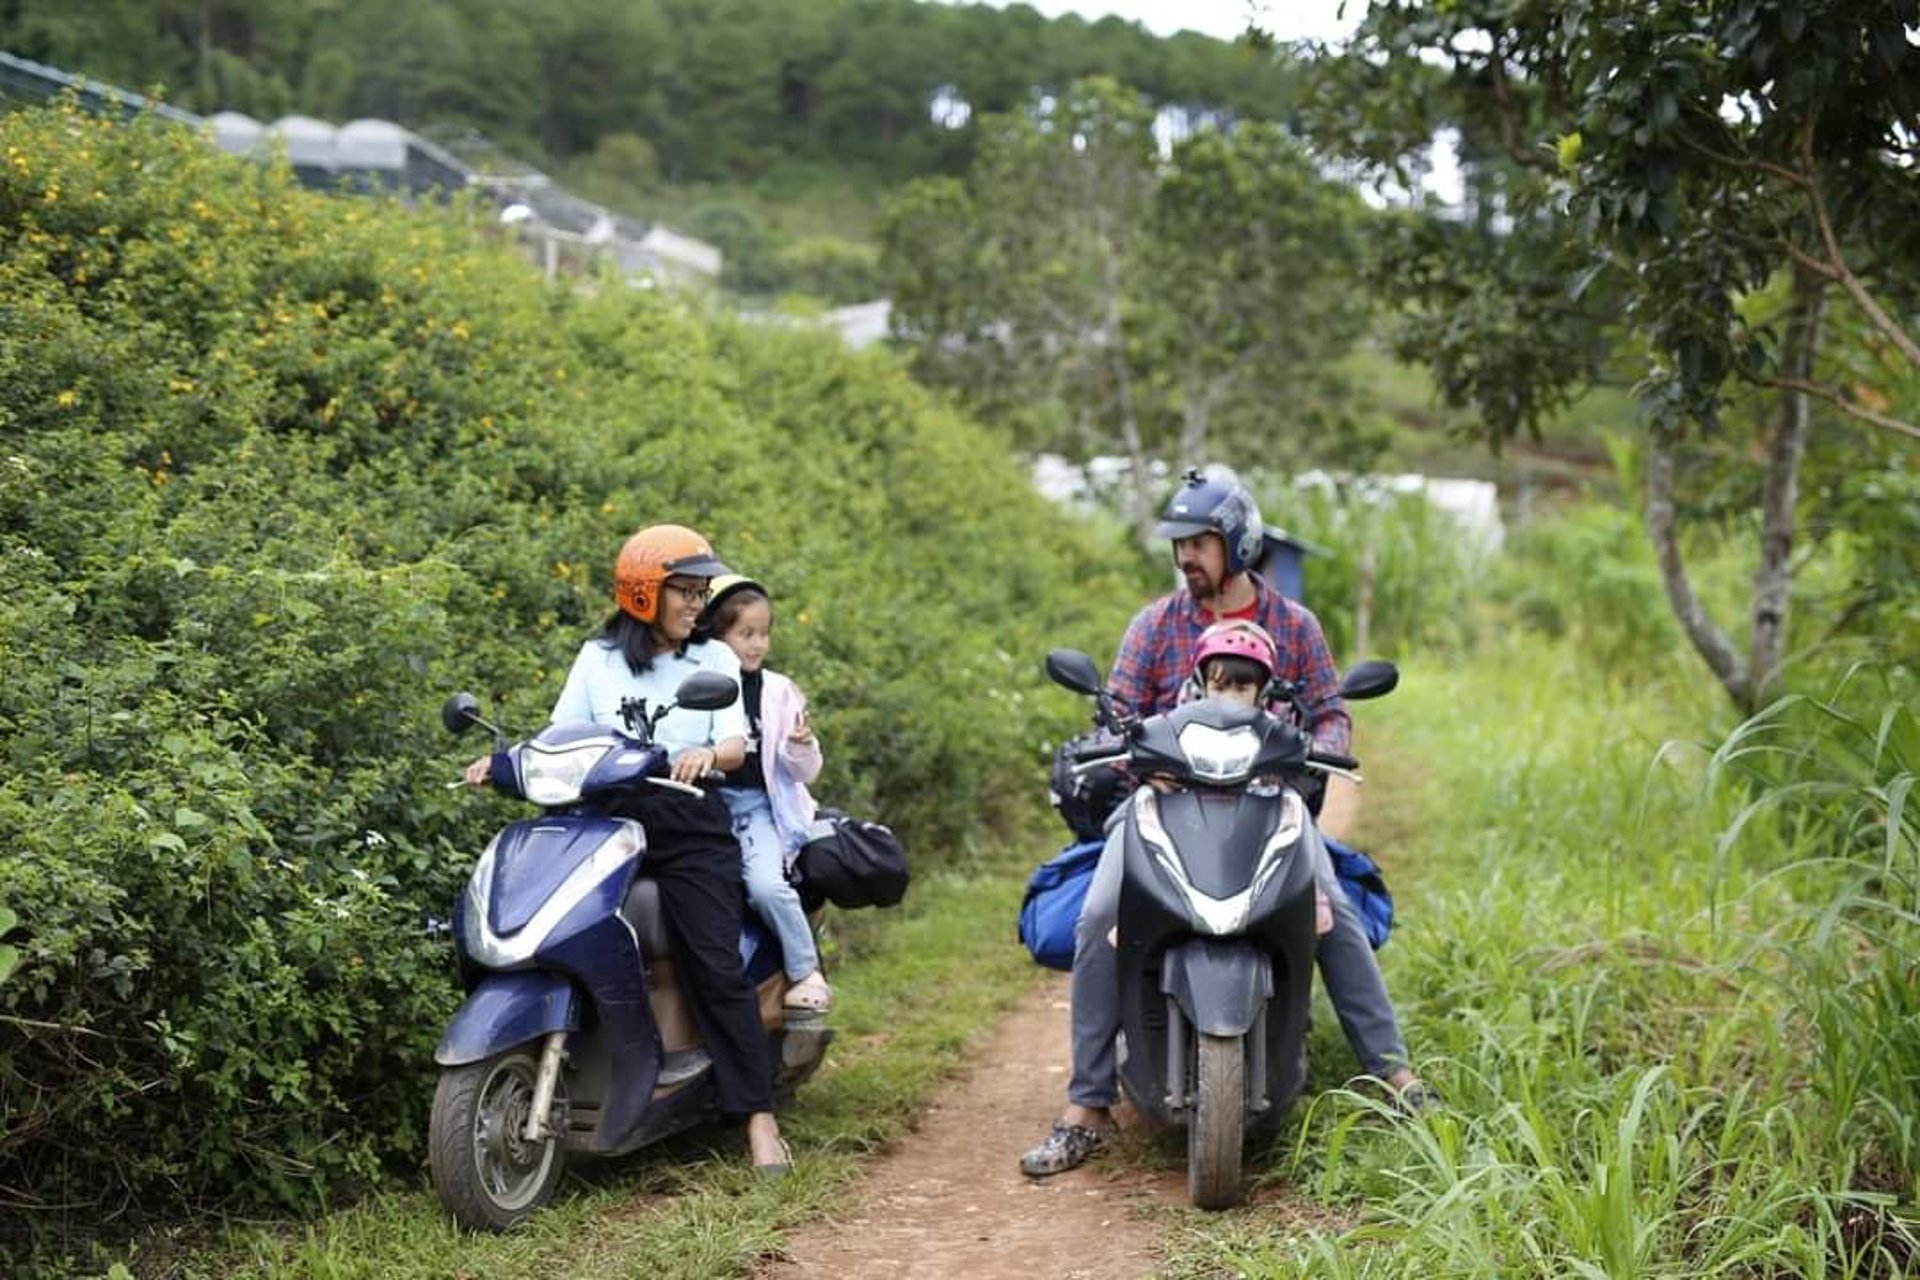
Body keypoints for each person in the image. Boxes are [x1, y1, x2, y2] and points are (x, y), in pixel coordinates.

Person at [1020, 469, 1433, 1179]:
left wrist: (1323, 746)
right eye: (1180, 542)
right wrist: (1123, 747)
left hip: (1269, 804)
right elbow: (1117, 706)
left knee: (1330, 912)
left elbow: (1330, 708)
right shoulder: (1156, 624)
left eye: (1200, 541)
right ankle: (1086, 1106)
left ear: (1236, 541)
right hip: (1162, 800)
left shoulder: (1294, 627)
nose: (1187, 556)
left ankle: (1394, 1074)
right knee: (1097, 919)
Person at [463, 524, 790, 1175]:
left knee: (712, 960)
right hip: (605, 816)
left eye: (701, 593)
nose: (698, 605)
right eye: (685, 592)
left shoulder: (714, 661)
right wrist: (505, 761)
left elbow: (734, 743)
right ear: (645, 593)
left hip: (689, 821)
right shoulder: (598, 658)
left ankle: (759, 1118)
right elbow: (563, 733)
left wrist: (708, 754)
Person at [696, 574, 833, 1014]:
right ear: (719, 636)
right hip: (703, 809)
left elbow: (806, 772)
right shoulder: (695, 682)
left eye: (764, 634)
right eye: (746, 634)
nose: (757, 645)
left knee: (765, 887)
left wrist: (799, 744)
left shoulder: (777, 691)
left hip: (756, 809)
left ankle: (805, 969)